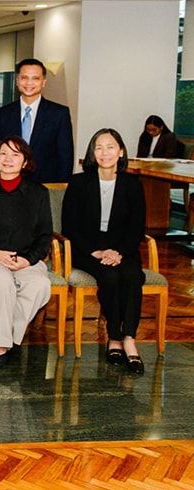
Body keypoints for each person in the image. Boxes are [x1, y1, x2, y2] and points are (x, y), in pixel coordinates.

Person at [62, 128, 147, 374]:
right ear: (92, 152)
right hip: (87, 249)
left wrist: (118, 252)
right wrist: (97, 252)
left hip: (123, 248)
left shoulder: (132, 185)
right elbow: (70, 226)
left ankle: (129, 338)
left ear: (120, 152)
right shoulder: (79, 183)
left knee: (132, 275)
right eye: (99, 147)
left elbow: (136, 227)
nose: (105, 152)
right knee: (110, 277)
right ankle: (114, 337)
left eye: (110, 147)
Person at [0, 136, 53, 366]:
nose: (8, 159)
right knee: (3, 281)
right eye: (4, 153)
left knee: (40, 285)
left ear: (25, 162)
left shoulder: (39, 193)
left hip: (25, 257)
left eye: (16, 154)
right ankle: (2, 347)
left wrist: (28, 260)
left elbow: (45, 236)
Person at [0, 58, 73, 183]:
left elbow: (65, 156)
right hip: (9, 185)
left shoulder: (59, 114)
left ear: (44, 82)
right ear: (17, 81)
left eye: (35, 78)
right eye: (24, 77)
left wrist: (60, 189)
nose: (29, 83)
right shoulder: (3, 113)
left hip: (46, 185)